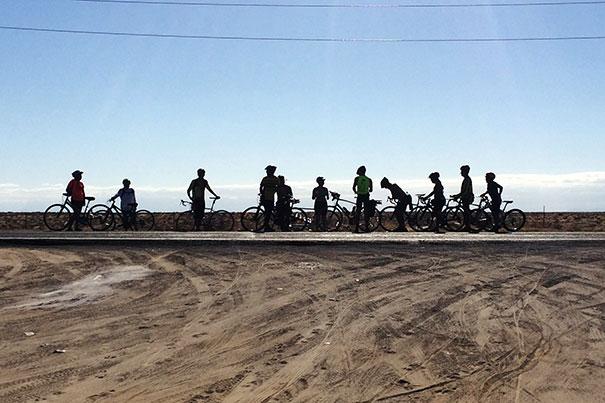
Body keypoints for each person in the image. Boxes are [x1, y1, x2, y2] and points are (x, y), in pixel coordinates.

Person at [451, 165, 475, 232]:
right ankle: (467, 225)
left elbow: (465, 190)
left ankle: (467, 226)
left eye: (462, 171)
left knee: (466, 212)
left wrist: (458, 196)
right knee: (466, 211)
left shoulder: (467, 179)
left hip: (466, 197)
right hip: (465, 197)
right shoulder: (466, 179)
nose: (461, 173)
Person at [258, 165, 280, 232]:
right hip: (269, 198)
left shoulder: (266, 179)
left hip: (267, 197)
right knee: (268, 213)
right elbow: (278, 188)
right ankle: (266, 226)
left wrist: (261, 193)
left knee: (267, 213)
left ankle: (266, 226)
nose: (267, 172)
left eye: (268, 171)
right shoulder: (275, 179)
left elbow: (261, 187)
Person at [352, 166, 373, 233]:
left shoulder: (357, 178)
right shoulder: (369, 179)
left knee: (358, 211)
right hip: (366, 196)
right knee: (366, 211)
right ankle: (367, 227)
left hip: (360, 196)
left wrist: (356, 192)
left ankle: (356, 228)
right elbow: (371, 190)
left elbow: (353, 187)